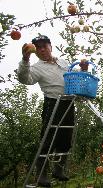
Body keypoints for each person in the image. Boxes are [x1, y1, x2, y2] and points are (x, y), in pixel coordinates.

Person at [17, 35, 75, 187]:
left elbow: (74, 76)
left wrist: (83, 68)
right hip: (53, 103)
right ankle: (41, 173)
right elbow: (25, 79)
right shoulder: (36, 67)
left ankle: (58, 169)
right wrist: (25, 59)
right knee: (48, 138)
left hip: (68, 102)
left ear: (51, 46)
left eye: (45, 46)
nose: (42, 49)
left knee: (66, 137)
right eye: (38, 47)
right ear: (35, 51)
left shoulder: (63, 62)